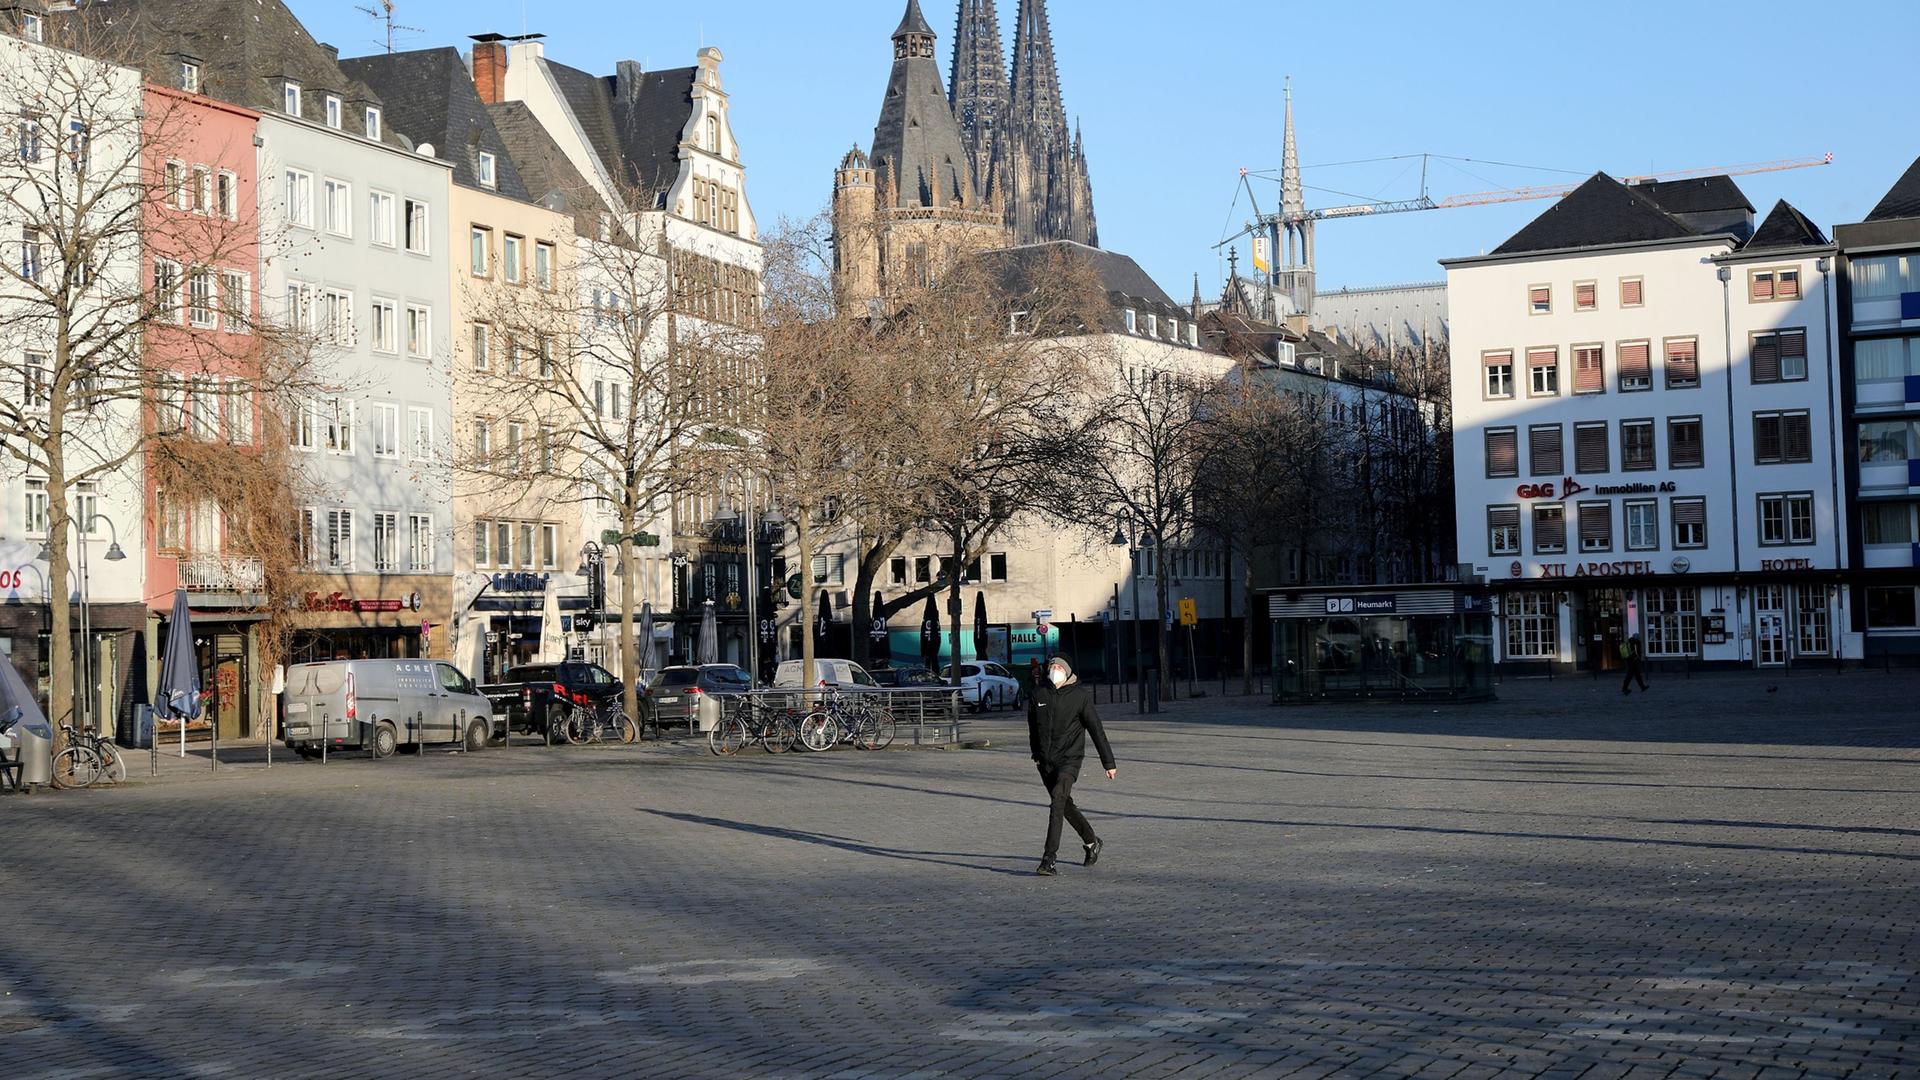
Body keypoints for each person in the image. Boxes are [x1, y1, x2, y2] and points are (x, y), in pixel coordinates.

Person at [1026, 655, 1116, 876]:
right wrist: (1036, 755)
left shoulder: (1079, 696)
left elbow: (1096, 729)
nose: (1054, 670)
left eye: (1058, 667)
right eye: (1052, 667)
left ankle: (1048, 860)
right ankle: (1091, 841)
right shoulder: (1039, 693)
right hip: (1045, 761)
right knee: (1065, 805)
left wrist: (1109, 762)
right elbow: (1033, 727)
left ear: (1067, 671)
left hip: (1070, 759)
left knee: (1057, 802)